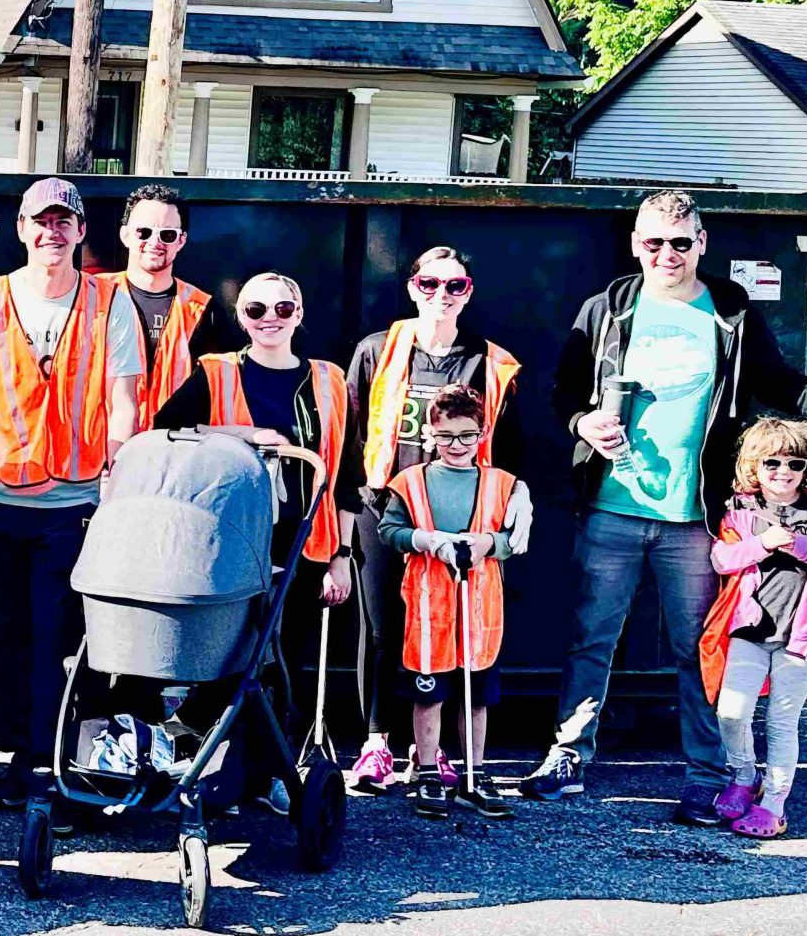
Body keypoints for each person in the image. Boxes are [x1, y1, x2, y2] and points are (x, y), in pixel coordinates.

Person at [524, 189, 807, 819]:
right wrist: (583, 423)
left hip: (696, 517)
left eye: (680, 242)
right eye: (654, 242)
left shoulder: (730, 310)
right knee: (591, 638)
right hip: (612, 506)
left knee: (699, 645)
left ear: (702, 244)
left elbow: (778, 383)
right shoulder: (608, 307)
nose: (667, 254)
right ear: (636, 244)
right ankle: (570, 754)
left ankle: (706, 771)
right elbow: (564, 390)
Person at [0, 176, 143, 808]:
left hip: (71, 504)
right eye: (41, 221)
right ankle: (18, 761)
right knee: (1, 635)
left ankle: (59, 760)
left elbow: (123, 399)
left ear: (82, 232)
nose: (51, 232)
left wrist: (111, 483)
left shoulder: (108, 302)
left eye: (64, 221)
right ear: (22, 229)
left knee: (58, 639)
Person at [155, 269, 353, 793]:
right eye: (257, 310)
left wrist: (340, 556)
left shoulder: (330, 380)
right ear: (242, 318)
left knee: (285, 663)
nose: (271, 319)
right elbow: (165, 431)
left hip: (305, 541)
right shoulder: (214, 372)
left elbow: (347, 471)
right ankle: (207, 763)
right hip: (229, 539)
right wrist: (244, 434)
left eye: (283, 309)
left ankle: (271, 773)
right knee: (230, 655)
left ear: (300, 314)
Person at [339, 245, 524, 791]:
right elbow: (350, 435)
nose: (441, 295)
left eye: (455, 286)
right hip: (386, 510)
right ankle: (376, 742)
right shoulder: (377, 349)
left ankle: (435, 751)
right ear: (412, 286)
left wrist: (502, 523)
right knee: (381, 629)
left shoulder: (492, 362)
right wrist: (347, 514)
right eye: (429, 284)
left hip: (459, 519)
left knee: (449, 631)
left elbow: (509, 451)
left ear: (469, 291)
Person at [699, 420, 807, 840]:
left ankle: (773, 803)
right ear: (752, 467)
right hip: (750, 630)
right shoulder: (739, 510)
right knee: (731, 711)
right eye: (771, 462)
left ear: (806, 467)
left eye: (794, 462)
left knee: (782, 720)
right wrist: (763, 544)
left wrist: (804, 546)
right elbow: (722, 559)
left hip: (804, 635)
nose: (783, 471)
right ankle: (742, 776)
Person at [376, 387, 530, 819]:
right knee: (429, 694)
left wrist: (488, 542)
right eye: (446, 437)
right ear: (430, 434)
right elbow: (390, 531)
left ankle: (475, 774)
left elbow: (516, 540)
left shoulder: (502, 484)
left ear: (482, 434)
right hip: (428, 607)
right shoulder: (410, 482)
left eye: (467, 436)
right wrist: (427, 540)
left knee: (476, 694)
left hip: (482, 610)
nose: (457, 446)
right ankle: (427, 771)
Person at [112, 183, 241, 430]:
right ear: (125, 235)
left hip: (174, 451)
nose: (155, 242)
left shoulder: (204, 309)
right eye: (144, 232)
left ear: (181, 240)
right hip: (103, 454)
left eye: (167, 234)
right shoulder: (94, 299)